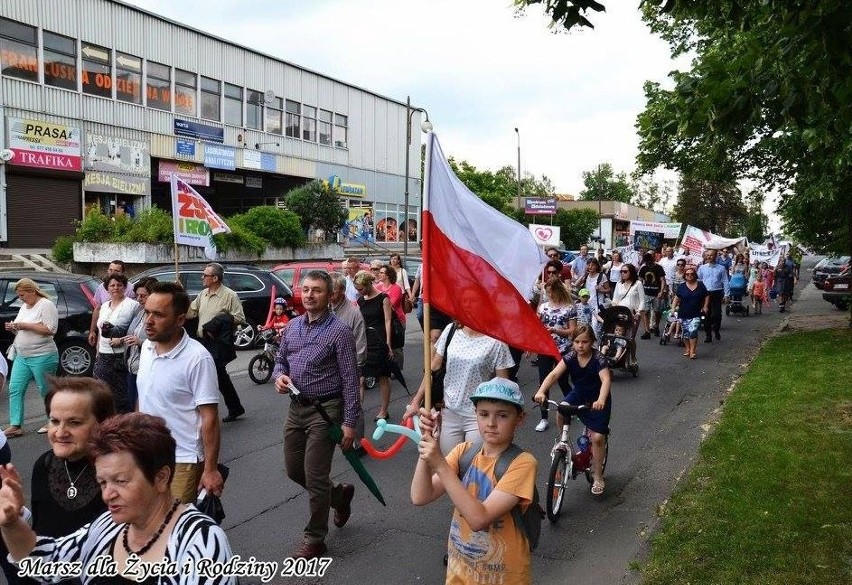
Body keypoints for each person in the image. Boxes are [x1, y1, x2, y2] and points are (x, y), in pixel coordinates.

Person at [0, 413, 236, 584]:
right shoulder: (107, 527)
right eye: (103, 482)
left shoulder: (202, 542)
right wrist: (11, 522)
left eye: (121, 481)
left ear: (161, 477)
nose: (107, 494)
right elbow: (47, 562)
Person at [410, 378, 536, 585]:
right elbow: (420, 496)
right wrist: (427, 447)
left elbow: (479, 519)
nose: (491, 423)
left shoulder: (523, 464)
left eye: (502, 415)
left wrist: (440, 464)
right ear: (475, 414)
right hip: (459, 572)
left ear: (519, 418)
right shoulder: (464, 453)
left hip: (503, 578)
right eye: (483, 414)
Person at [272, 270, 361, 559]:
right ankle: (339, 495)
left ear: (329, 295)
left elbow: (350, 378)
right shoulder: (294, 326)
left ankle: (315, 539)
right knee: (293, 469)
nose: (309, 295)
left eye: (317, 290)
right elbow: (281, 359)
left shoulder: (339, 331)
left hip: (326, 410)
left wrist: (349, 423)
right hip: (296, 407)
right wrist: (279, 376)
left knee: (315, 474)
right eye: (306, 289)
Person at [137, 281, 225, 504]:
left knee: (174, 529)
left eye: (158, 314)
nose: (148, 320)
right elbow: (144, 395)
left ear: (180, 319)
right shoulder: (147, 347)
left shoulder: (197, 358)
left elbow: (210, 417)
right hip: (147, 454)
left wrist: (211, 469)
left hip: (182, 460)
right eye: (146, 312)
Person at [404, 322, 514, 455]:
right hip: (449, 412)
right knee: (449, 466)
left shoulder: (496, 340)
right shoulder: (451, 330)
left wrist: (504, 420)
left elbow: (503, 385)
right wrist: (416, 401)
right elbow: (433, 370)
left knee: (473, 467)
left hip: (478, 416)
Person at [534, 326, 612, 496]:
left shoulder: (599, 359)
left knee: (598, 438)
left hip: (597, 398)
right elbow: (554, 374)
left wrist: (601, 400)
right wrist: (541, 391)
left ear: (592, 342)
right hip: (579, 393)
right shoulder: (570, 357)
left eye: (585, 342)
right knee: (561, 410)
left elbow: (606, 380)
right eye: (577, 342)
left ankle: (598, 476)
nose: (580, 345)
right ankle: (564, 441)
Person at [187, 262, 246, 423]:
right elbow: (191, 313)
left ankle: (209, 412)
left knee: (212, 376)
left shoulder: (229, 295)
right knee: (219, 377)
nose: (202, 277)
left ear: (215, 278)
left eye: (205, 275)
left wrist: (221, 321)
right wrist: (180, 297)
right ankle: (235, 407)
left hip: (217, 343)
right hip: (202, 341)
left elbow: (240, 318)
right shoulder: (203, 294)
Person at [3, 278, 60, 438]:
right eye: (19, 295)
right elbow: (22, 329)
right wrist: (14, 327)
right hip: (22, 356)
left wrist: (24, 325)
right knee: (15, 389)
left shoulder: (46, 305)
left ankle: (52, 420)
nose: (20, 298)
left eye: (22, 295)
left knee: (46, 390)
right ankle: (16, 425)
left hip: (43, 355)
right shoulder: (24, 307)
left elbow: (50, 329)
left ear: (32, 291)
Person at [533, 277, 576, 432]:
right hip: (545, 348)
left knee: (563, 381)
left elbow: (572, 330)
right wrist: (531, 345)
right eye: (547, 292)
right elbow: (536, 326)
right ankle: (544, 417)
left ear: (558, 290)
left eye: (551, 291)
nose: (549, 294)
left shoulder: (569, 307)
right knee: (544, 382)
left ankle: (570, 408)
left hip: (563, 349)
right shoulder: (543, 307)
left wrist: (556, 330)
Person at [93, 273, 139, 414]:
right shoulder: (105, 306)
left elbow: (136, 331)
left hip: (120, 357)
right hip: (102, 355)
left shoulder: (133, 305)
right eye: (112, 285)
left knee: (120, 397)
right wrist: (97, 351)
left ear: (125, 287)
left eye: (119, 285)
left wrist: (121, 340)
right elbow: (101, 331)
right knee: (101, 394)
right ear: (107, 288)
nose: (115, 288)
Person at [355, 270, 394, 421]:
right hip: (365, 340)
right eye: (357, 289)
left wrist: (388, 343)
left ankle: (384, 410)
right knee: (360, 377)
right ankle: (357, 410)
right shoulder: (361, 301)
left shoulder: (383, 298)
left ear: (368, 284)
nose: (359, 292)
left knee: (383, 376)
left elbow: (388, 321)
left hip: (379, 340)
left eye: (361, 288)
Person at [123, 277, 157, 411]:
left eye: (143, 296)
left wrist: (140, 342)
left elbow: (160, 342)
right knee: (133, 406)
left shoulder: (158, 317)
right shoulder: (140, 312)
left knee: (144, 410)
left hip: (148, 369)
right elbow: (131, 332)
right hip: (132, 368)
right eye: (137, 295)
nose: (139, 299)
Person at [87, 260, 134, 348]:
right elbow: (97, 309)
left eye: (116, 271)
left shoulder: (130, 289)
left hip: (122, 340)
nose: (112, 273)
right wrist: (92, 331)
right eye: (110, 270)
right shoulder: (102, 287)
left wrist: (122, 338)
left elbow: (134, 317)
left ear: (123, 273)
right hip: (103, 339)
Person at [670, 267, 709, 360]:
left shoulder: (700, 285)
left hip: (696, 313)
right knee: (686, 333)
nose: (689, 276)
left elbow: (706, 296)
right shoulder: (682, 286)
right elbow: (677, 297)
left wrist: (705, 306)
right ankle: (687, 349)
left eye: (691, 274)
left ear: (695, 275)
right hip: (684, 313)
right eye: (687, 274)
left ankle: (693, 351)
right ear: (685, 276)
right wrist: (673, 307)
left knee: (693, 331)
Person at [697, 249, 729, 341]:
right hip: (706, 293)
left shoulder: (721, 268)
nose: (709, 257)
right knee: (706, 314)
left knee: (717, 314)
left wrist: (727, 294)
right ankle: (708, 335)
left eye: (711, 255)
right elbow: (698, 280)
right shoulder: (702, 268)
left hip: (717, 292)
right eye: (708, 255)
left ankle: (716, 329)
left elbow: (725, 281)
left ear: (716, 256)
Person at [638, 252, 668, 339]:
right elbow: (640, 281)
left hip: (656, 293)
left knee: (657, 311)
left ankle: (656, 326)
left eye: (649, 262)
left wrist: (661, 291)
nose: (648, 264)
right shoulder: (644, 268)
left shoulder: (658, 268)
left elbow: (662, 280)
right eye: (646, 262)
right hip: (646, 293)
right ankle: (647, 331)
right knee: (646, 312)